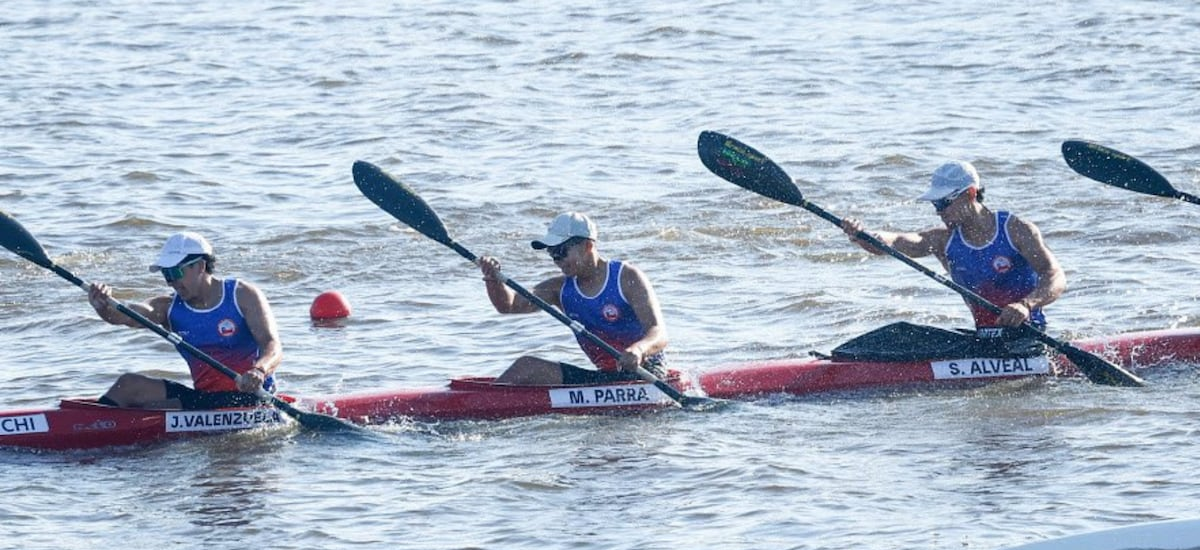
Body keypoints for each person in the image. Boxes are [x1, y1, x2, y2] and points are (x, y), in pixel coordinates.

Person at [841, 160, 1066, 335]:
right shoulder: (943, 241)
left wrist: (1026, 305)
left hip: (1029, 335)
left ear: (970, 194)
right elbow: (898, 242)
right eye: (934, 204)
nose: (938, 211)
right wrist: (863, 235)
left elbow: (1054, 276)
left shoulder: (1016, 230)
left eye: (943, 203)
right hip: (983, 338)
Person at [86, 232, 282, 409]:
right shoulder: (168, 307)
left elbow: (272, 345)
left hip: (251, 396)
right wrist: (102, 306)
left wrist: (259, 371)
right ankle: (90, 426)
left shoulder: (242, 295)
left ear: (200, 266)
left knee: (154, 408)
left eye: (175, 273)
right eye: (166, 274)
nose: (171, 282)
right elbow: (126, 316)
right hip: (203, 397)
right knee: (127, 385)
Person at [476, 212, 669, 385]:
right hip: (604, 378)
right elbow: (508, 306)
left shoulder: (626, 277)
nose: (557, 261)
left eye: (561, 252)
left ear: (587, 246)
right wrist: (493, 279)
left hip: (645, 374)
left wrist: (638, 350)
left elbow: (659, 333)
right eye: (552, 254)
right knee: (525, 367)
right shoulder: (558, 289)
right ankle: (481, 406)